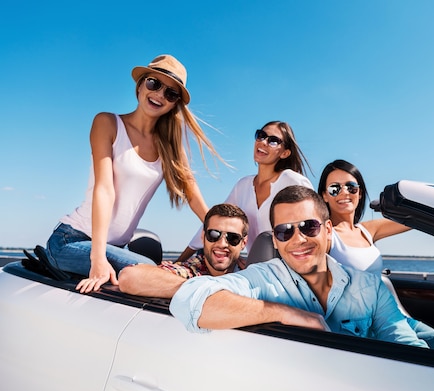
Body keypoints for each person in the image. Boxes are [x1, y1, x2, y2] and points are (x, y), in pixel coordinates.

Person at [44, 54, 224, 294]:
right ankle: (209, 294)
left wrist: (225, 237)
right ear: (140, 85)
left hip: (116, 246)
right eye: (154, 83)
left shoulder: (169, 147)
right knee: (148, 270)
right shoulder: (107, 123)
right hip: (72, 241)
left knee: (153, 270)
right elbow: (104, 190)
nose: (159, 94)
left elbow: (194, 198)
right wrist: (97, 259)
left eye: (170, 93)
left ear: (174, 103)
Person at [170, 185, 428, 348]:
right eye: (284, 231)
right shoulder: (264, 280)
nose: (298, 239)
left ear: (327, 230)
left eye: (309, 226)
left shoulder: (369, 286)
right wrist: (286, 313)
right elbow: (190, 300)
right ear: (275, 240)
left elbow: (407, 348)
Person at [318, 159, 434, 359]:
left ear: (360, 193)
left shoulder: (367, 230)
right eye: (335, 188)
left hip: (400, 319)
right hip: (372, 328)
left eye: (351, 187)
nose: (344, 192)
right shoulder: (326, 236)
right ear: (324, 196)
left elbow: (414, 219)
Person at [177, 121, 313, 261]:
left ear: (285, 153)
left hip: (292, 265)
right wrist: (180, 261)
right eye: (261, 135)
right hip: (255, 267)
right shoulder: (243, 185)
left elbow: (313, 228)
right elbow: (217, 222)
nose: (264, 142)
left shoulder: (293, 181)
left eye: (273, 141)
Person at [118, 204, 248, 298]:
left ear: (243, 243)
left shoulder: (251, 274)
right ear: (203, 237)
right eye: (214, 234)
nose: (222, 243)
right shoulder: (193, 271)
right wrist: (208, 289)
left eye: (233, 238)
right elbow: (129, 277)